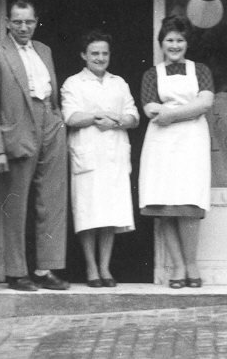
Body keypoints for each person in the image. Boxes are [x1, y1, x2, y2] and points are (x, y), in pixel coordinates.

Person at [0, 0, 69, 291]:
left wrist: (56, 120)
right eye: (17, 21)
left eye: (29, 21)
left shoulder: (44, 50)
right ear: (7, 23)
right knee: (15, 205)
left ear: (35, 22)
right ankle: (17, 273)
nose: (23, 27)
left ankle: (46, 269)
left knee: (52, 201)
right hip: (18, 129)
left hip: (50, 124)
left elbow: (51, 94)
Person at [138, 15, 214, 289]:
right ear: (161, 43)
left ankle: (192, 264)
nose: (174, 45)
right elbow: (150, 109)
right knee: (165, 205)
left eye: (179, 40)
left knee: (189, 204)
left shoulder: (201, 70)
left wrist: (171, 114)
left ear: (187, 43)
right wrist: (183, 111)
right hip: (161, 144)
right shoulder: (151, 75)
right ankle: (178, 268)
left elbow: (205, 103)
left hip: (192, 142)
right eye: (169, 40)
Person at [61, 30, 139, 288]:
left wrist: (116, 121)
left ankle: (105, 268)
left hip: (114, 154)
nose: (100, 57)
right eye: (94, 53)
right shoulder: (73, 83)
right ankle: (91, 268)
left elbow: (133, 115)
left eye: (104, 53)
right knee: (88, 214)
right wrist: (96, 117)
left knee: (110, 215)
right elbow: (70, 116)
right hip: (88, 154)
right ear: (84, 55)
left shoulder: (119, 82)